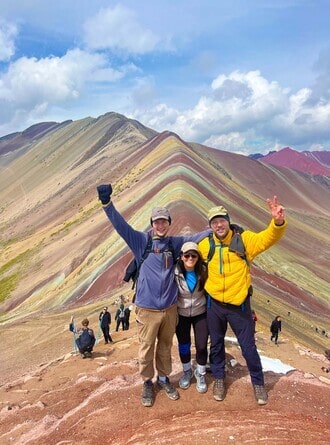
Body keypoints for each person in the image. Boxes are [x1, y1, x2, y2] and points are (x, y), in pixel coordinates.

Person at [97, 183, 210, 407]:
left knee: (166, 346)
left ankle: (165, 378)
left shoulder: (174, 244)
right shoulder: (141, 242)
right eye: (157, 221)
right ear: (152, 224)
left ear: (169, 224)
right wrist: (106, 204)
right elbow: (121, 227)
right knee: (147, 347)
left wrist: (216, 230)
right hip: (147, 309)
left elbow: (196, 238)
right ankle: (147, 382)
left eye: (164, 221)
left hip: (169, 309)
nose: (160, 225)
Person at [198, 196, 286, 405]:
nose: (218, 225)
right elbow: (188, 259)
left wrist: (278, 222)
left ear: (228, 221)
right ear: (210, 226)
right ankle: (219, 378)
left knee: (248, 347)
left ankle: (258, 384)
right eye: (214, 222)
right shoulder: (205, 245)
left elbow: (267, 239)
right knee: (216, 345)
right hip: (215, 305)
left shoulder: (244, 240)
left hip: (240, 306)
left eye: (222, 220)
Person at [174, 242, 209, 393]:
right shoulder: (174, 272)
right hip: (181, 314)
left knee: (201, 345)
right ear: (181, 256)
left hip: (200, 313)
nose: (190, 258)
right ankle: (187, 371)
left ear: (198, 257)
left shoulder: (204, 270)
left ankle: (200, 373)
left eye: (193, 255)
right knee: (184, 344)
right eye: (186, 255)